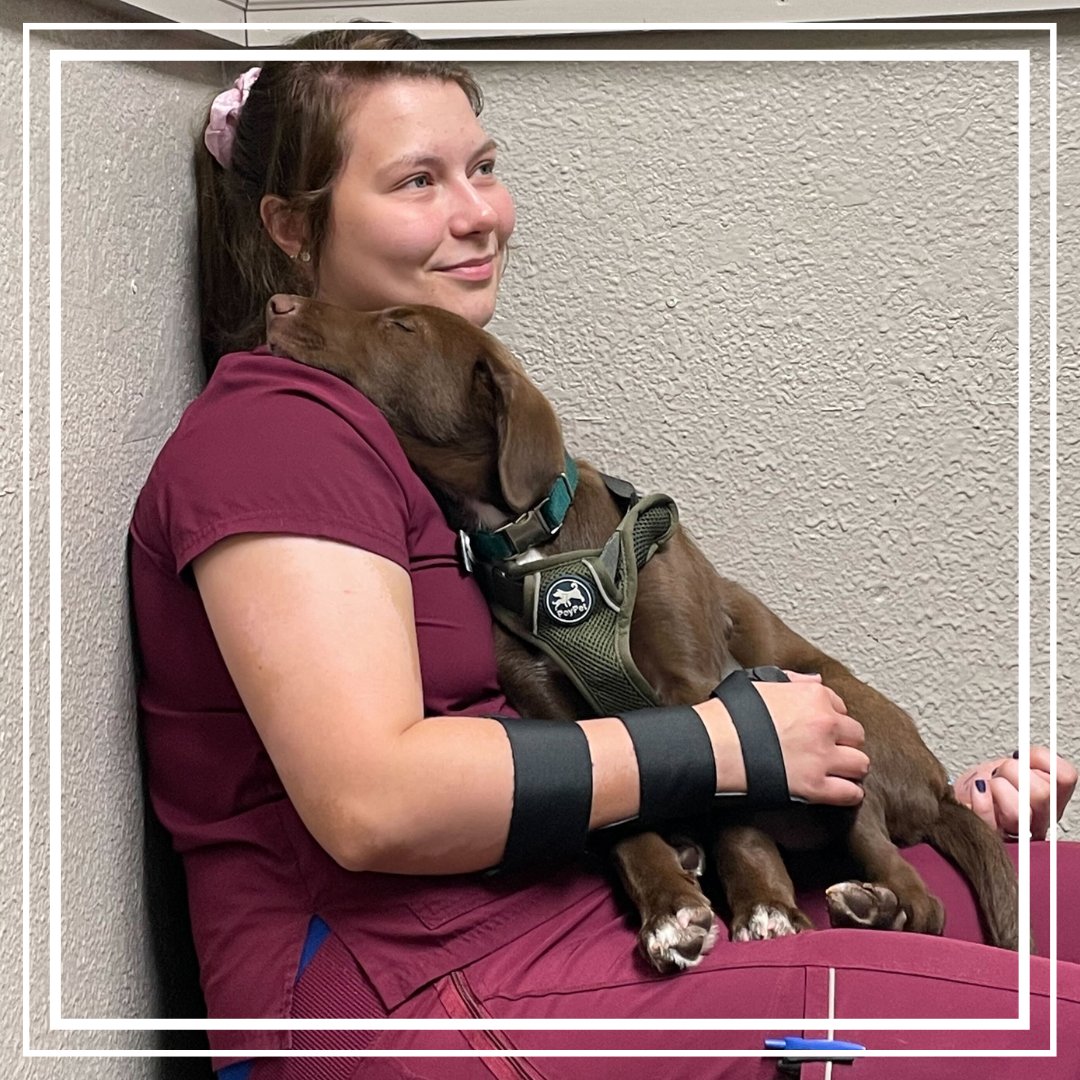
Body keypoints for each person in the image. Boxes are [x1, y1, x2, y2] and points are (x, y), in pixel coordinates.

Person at [129, 27, 1080, 1080]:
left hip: (599, 900)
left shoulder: (437, 443)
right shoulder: (280, 433)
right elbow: (375, 799)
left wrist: (906, 811)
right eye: (416, 181)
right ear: (291, 229)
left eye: (482, 167)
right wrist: (726, 749)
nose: (476, 213)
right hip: (423, 991)